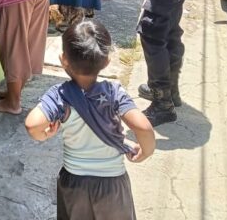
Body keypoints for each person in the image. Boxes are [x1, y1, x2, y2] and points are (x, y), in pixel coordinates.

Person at [25, 20, 155, 220]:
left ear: (63, 60)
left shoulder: (59, 95)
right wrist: (146, 151)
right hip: (112, 184)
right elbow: (144, 128)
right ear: (106, 62)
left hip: (74, 183)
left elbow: (32, 125)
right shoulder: (114, 93)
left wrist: (44, 135)